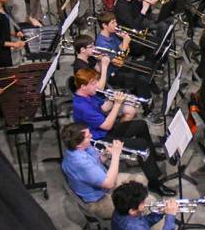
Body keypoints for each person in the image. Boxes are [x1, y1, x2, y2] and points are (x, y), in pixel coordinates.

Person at [72, 67, 173, 195]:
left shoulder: (88, 95)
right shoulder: (82, 106)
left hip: (103, 130)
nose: (97, 85)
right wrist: (118, 104)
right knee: (140, 145)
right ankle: (155, 183)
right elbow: (107, 125)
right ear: (83, 86)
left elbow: (103, 108)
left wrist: (112, 97)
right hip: (98, 139)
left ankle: (152, 155)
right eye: (93, 83)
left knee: (141, 125)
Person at [60, 122, 147, 219]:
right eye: (88, 136)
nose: (91, 136)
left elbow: (98, 161)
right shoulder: (79, 162)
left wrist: (106, 154)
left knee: (141, 179)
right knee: (144, 205)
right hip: (98, 201)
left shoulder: (83, 147)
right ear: (78, 145)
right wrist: (115, 156)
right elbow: (108, 183)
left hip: (105, 183)